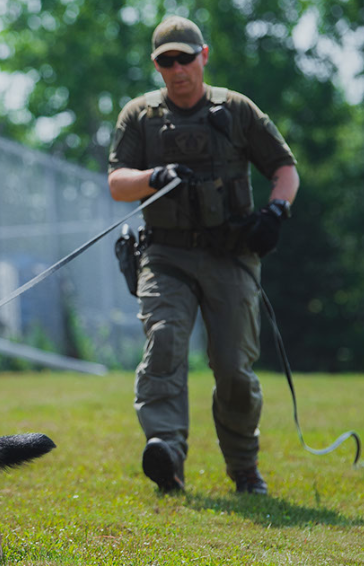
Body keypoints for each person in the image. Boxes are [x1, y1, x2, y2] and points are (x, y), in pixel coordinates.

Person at [108, 15, 299, 494]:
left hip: (231, 256)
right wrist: (156, 176)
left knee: (234, 366)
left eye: (185, 58)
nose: (177, 69)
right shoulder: (139, 115)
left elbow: (284, 168)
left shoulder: (236, 110)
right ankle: (166, 453)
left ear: (203, 57)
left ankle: (243, 468)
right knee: (166, 341)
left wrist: (276, 212)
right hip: (166, 256)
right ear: (157, 65)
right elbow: (117, 182)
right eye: (166, 60)